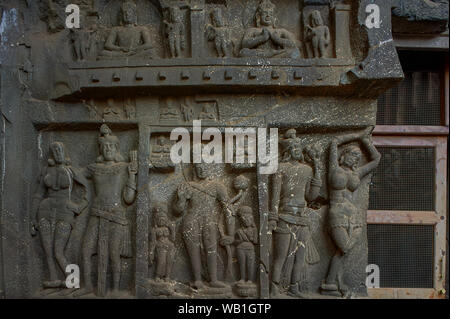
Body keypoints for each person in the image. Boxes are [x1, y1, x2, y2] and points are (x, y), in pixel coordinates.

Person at [75, 125, 138, 297]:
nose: (108, 148)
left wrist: (132, 175)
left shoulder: (124, 167)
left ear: (117, 148)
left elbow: (128, 199)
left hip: (116, 215)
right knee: (86, 251)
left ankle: (116, 289)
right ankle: (88, 286)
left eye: (112, 146)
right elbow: (75, 174)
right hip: (96, 214)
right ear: (100, 149)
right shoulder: (93, 168)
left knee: (113, 254)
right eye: (105, 146)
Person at [321, 128, 380, 297]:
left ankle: (331, 282)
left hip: (353, 216)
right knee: (345, 247)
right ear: (343, 155)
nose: (353, 158)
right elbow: (334, 142)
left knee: (343, 251)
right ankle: (333, 282)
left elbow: (377, 159)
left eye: (356, 157)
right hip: (336, 213)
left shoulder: (356, 173)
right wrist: (357, 135)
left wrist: (365, 141)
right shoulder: (334, 168)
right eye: (351, 154)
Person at [269, 132, 322, 297]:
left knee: (300, 255)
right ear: (287, 150)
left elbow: (310, 196)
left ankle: (294, 287)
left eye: (299, 146)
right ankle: (273, 288)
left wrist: (317, 170)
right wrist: (272, 216)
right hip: (284, 215)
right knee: (281, 255)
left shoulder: (307, 169)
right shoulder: (280, 168)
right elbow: (275, 194)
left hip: (301, 217)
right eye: (294, 147)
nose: (298, 150)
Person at [31, 142, 88, 289]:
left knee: (58, 250)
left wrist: (79, 207)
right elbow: (38, 194)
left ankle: (73, 279)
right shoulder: (46, 171)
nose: (57, 152)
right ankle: (53, 279)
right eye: (54, 150)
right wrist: (32, 217)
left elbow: (87, 189)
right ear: (51, 154)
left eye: (60, 150)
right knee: (47, 250)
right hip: (45, 209)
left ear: (64, 152)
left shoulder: (71, 171)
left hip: (65, 210)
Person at [174, 162, 234, 290]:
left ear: (211, 167)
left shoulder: (217, 186)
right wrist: (181, 199)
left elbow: (228, 209)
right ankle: (197, 280)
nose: (203, 169)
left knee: (211, 249)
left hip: (209, 220)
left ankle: (213, 279)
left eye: (206, 166)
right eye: (199, 167)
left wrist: (231, 233)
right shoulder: (187, 186)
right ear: (194, 168)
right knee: (193, 251)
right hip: (191, 220)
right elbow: (177, 211)